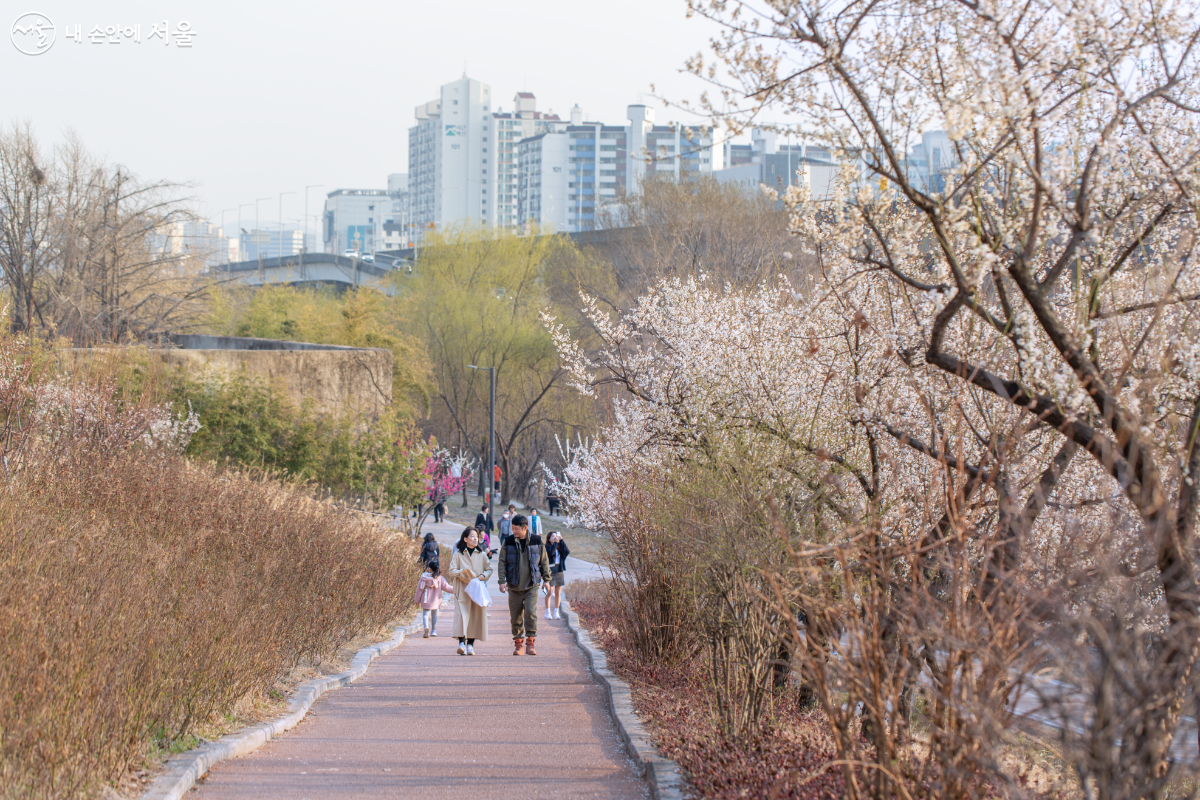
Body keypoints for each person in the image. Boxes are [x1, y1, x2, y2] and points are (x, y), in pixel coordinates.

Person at [498, 514, 551, 656]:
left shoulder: (536, 541)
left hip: (531, 584)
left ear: (525, 528)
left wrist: (546, 580)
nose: (513, 531)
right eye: (512, 528)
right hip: (514, 585)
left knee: (530, 612)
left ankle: (530, 642)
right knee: (515, 616)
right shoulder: (508, 541)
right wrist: (501, 581)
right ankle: (518, 644)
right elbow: (502, 561)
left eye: (516, 529)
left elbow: (544, 561)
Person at [449, 527, 492, 655]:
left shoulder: (482, 554)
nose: (475, 538)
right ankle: (461, 642)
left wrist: (482, 576)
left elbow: (489, 570)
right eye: (472, 536)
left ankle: (471, 645)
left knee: (475, 616)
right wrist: (463, 573)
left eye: (476, 536)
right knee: (462, 615)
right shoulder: (458, 554)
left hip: (476, 590)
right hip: (462, 589)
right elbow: (451, 571)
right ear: (465, 539)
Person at [416, 561, 453, 638]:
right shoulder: (439, 578)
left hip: (425, 599)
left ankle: (426, 627)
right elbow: (447, 587)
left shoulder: (424, 577)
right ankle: (433, 630)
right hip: (435, 600)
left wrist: (417, 600)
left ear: (429, 568)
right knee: (434, 614)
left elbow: (419, 590)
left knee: (425, 614)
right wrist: (457, 590)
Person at [544, 531, 570, 620]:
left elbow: (567, 552)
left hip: (559, 570)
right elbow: (550, 553)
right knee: (549, 592)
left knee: (558, 592)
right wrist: (555, 543)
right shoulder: (546, 547)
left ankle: (556, 611)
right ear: (549, 539)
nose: (555, 538)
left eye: (556, 537)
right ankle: (547, 612)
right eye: (552, 537)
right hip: (550, 571)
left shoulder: (559, 547)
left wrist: (561, 541)